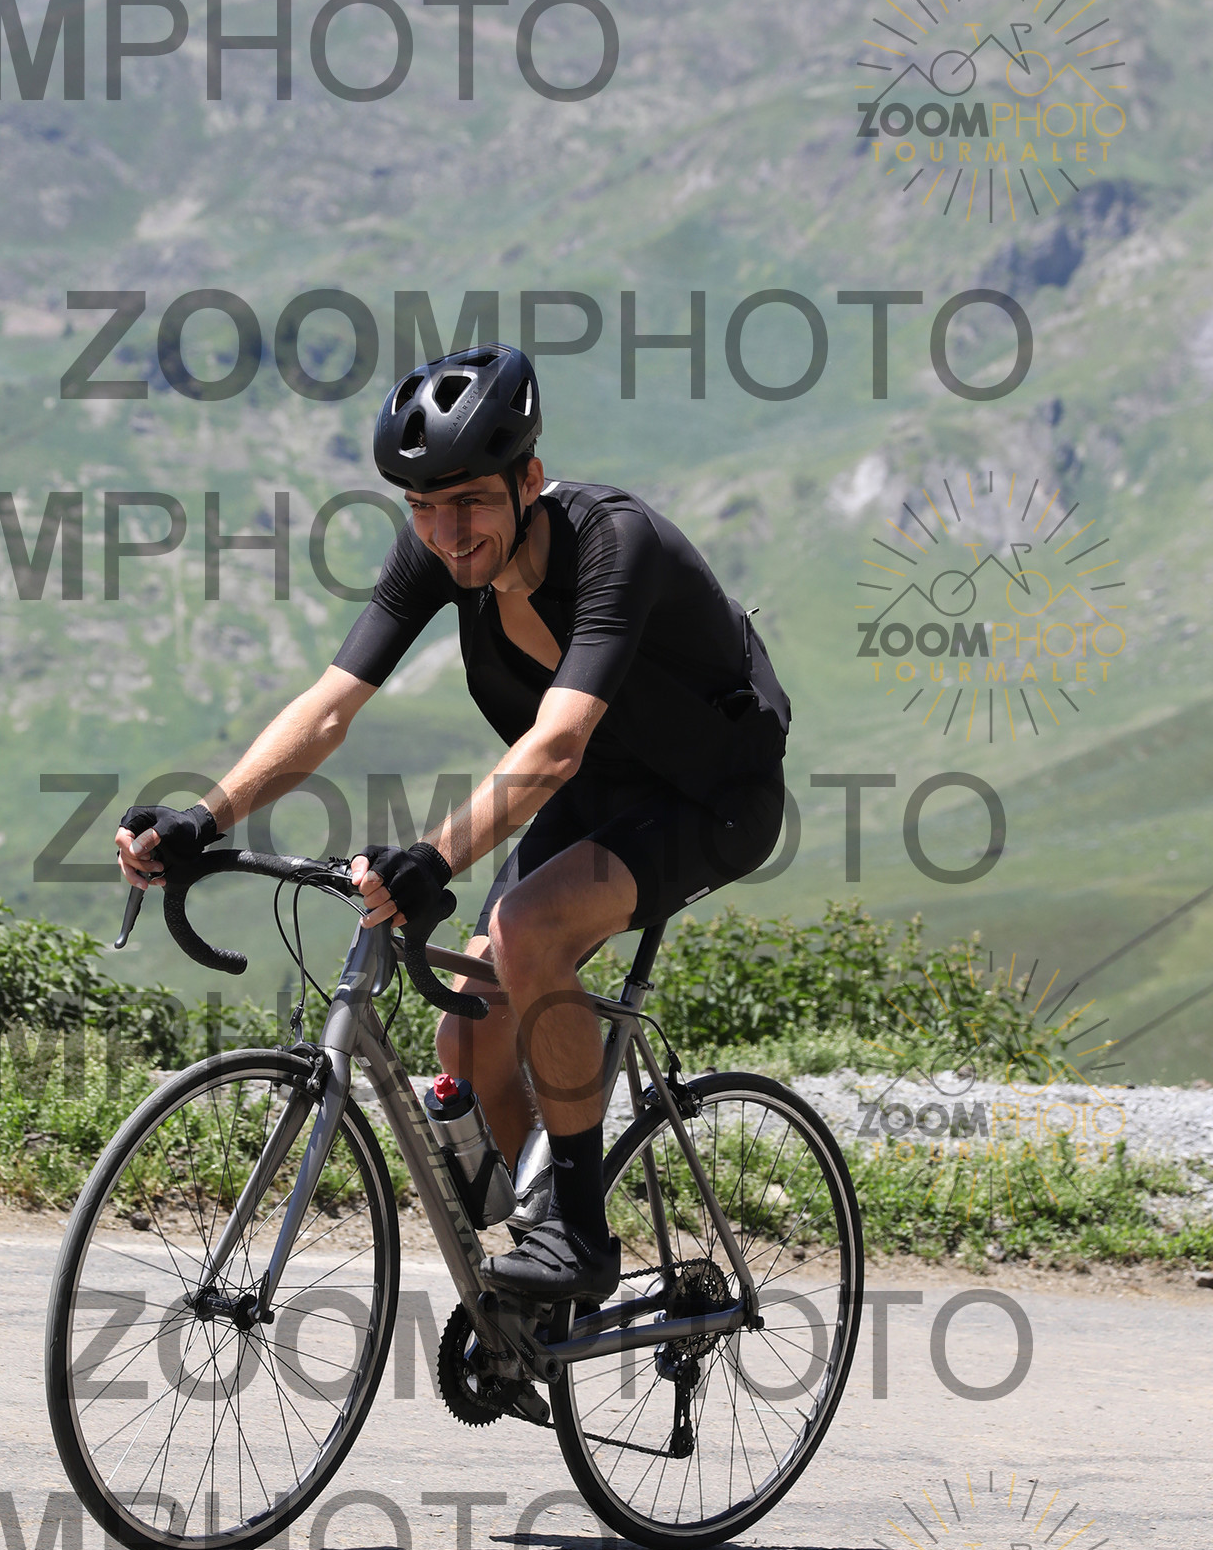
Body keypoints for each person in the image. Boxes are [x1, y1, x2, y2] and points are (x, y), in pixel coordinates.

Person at [116, 346, 790, 1301]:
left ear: (528, 480)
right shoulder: (439, 554)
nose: (445, 530)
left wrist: (432, 858)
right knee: (467, 1036)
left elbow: (556, 744)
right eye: (421, 506)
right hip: (598, 792)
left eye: (468, 500)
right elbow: (329, 708)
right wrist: (203, 816)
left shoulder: (614, 544)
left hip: (709, 795)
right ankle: (536, 1271)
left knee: (528, 930)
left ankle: (583, 1238)